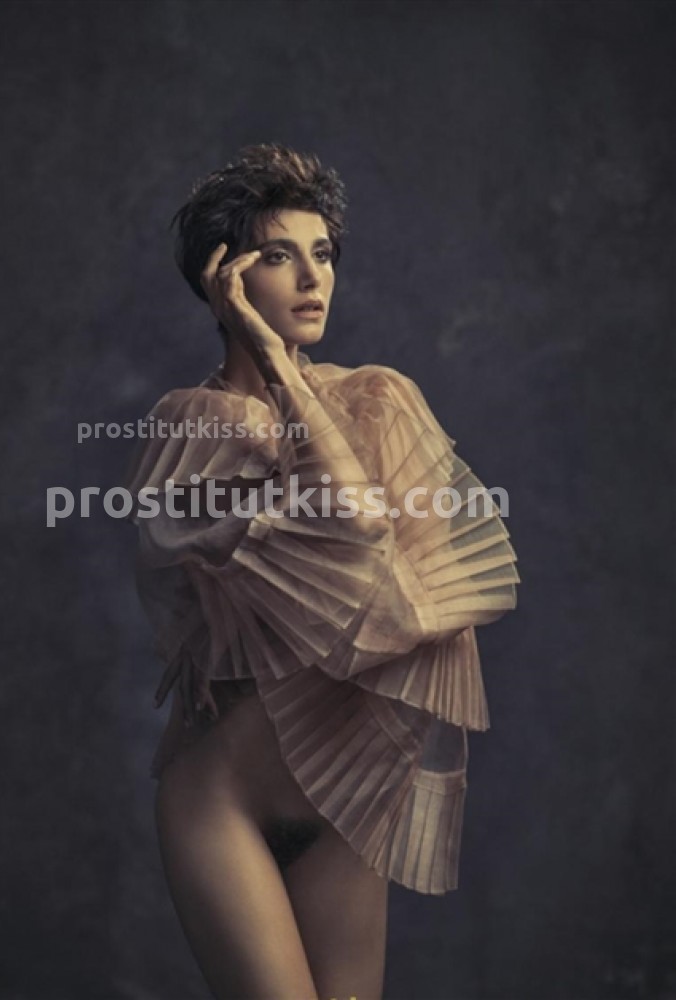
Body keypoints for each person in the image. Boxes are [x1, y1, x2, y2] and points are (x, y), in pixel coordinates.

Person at [121, 142, 519, 1000]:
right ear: (223, 282)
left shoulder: (378, 398)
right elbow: (355, 518)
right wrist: (269, 357)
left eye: (324, 253)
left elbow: (401, 583)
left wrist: (290, 373)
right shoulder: (195, 425)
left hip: (346, 794)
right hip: (222, 805)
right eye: (278, 256)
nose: (312, 279)